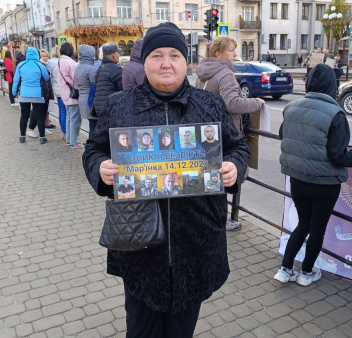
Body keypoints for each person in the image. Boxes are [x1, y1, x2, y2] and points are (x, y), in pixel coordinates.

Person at [82, 21, 250, 337]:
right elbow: (94, 149)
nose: (166, 63)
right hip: (140, 242)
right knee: (141, 330)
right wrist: (102, 168)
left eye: (174, 55)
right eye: (157, 55)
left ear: (185, 61)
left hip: (196, 242)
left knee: (181, 331)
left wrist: (233, 167)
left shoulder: (209, 104)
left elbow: (238, 146)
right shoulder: (121, 105)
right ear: (144, 61)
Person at [274, 64, 352, 286]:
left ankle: (285, 269)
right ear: (331, 85)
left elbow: (283, 135)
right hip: (325, 183)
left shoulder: (291, 108)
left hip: (297, 179)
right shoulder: (336, 113)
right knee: (317, 229)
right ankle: (306, 273)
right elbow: (338, 155)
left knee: (302, 224)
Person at [196, 37, 264, 133]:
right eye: (231, 50)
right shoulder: (225, 73)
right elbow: (232, 103)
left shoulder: (202, 73)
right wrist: (256, 102)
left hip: (207, 130)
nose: (235, 54)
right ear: (218, 54)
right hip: (227, 132)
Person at [12, 47, 50, 145]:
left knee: (24, 116)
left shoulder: (21, 65)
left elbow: (16, 80)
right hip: (37, 94)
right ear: (37, 55)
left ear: (27, 54)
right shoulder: (40, 65)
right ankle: (42, 137)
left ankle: (22, 136)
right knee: (40, 117)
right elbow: (46, 78)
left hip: (24, 94)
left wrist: (13, 92)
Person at [90, 43, 123, 134]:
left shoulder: (101, 67)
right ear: (113, 56)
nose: (119, 55)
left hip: (99, 107)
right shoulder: (115, 69)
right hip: (111, 108)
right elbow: (123, 89)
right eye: (118, 53)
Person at [58, 42, 83, 149]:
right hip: (73, 94)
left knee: (69, 117)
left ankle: (69, 139)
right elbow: (76, 78)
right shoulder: (70, 63)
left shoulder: (60, 62)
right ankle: (74, 141)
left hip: (65, 93)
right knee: (75, 119)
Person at [26, 49, 55, 138]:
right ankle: (31, 128)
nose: (45, 58)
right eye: (43, 56)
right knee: (37, 111)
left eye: (46, 56)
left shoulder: (47, 65)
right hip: (40, 91)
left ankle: (42, 128)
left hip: (45, 90)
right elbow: (45, 78)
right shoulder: (40, 65)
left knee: (43, 111)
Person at [75, 45, 96, 136]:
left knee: (91, 123)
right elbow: (95, 83)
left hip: (81, 98)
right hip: (90, 99)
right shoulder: (90, 68)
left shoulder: (78, 67)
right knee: (94, 125)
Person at [48, 45, 65, 139]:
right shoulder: (61, 62)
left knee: (61, 111)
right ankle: (65, 131)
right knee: (65, 111)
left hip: (55, 88)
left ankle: (63, 130)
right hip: (63, 89)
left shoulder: (49, 63)